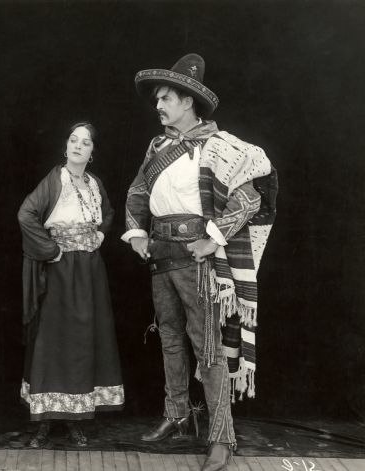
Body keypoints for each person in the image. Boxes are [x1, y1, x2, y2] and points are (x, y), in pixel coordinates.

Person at [122, 54, 277, 471]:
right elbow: (138, 192)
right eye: (158, 98)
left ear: (188, 101)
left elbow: (251, 197)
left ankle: (222, 437)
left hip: (197, 257)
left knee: (207, 349)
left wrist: (213, 240)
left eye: (166, 98)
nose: (158, 105)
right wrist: (137, 233)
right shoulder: (156, 147)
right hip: (160, 255)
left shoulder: (220, 147)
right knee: (169, 338)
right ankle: (175, 415)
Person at [18, 122, 124, 447]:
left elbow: (107, 213)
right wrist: (51, 250)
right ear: (66, 147)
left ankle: (74, 418)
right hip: (61, 272)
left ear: (92, 152)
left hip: (89, 273)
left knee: (82, 341)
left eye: (86, 142)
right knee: (53, 339)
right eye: (73, 140)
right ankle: (46, 420)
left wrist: (101, 235)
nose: (78, 146)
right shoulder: (55, 180)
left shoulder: (95, 184)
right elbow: (26, 214)